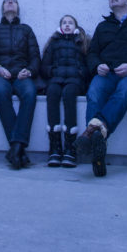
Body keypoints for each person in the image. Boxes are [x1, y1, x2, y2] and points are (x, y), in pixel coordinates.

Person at [75, 0, 127, 177]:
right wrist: (97, 66)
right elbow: (92, 54)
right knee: (94, 91)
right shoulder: (103, 27)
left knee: (124, 90)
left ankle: (91, 132)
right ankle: (97, 148)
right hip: (106, 73)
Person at [0, 0, 41, 169]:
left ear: (17, 8)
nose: (10, 2)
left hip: (22, 75)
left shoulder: (26, 30)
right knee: (1, 92)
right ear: (2, 9)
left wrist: (29, 70)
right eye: (6, 1)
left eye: (14, 1)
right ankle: (19, 148)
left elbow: (36, 57)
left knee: (30, 93)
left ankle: (15, 148)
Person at [39, 14, 90, 168]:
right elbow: (44, 66)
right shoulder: (53, 43)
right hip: (56, 80)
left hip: (74, 81)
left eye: (71, 22)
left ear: (76, 26)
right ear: (60, 26)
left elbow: (88, 64)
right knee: (52, 93)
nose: (67, 25)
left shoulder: (82, 42)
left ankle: (70, 147)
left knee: (69, 95)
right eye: (64, 22)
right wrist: (52, 71)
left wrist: (81, 72)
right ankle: (54, 147)